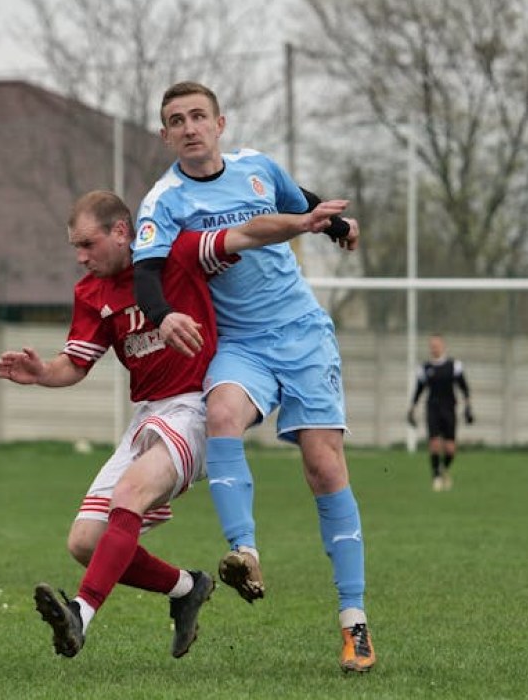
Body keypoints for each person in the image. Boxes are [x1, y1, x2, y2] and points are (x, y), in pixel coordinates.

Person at [0, 190, 347, 660]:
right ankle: (186, 588)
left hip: (197, 407)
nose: (80, 257)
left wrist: (305, 221)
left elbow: (244, 233)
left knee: (130, 494)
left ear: (121, 232)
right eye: (75, 248)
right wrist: (42, 373)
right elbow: (75, 363)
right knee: (85, 542)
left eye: (87, 244)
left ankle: (81, 613)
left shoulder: (175, 254)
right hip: (149, 415)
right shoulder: (91, 292)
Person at [131, 81, 375, 673]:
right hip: (240, 344)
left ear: (220, 124)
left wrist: (337, 226)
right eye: (176, 120)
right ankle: (244, 552)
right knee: (220, 414)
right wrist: (163, 317)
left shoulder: (258, 167)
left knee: (323, 466)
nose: (189, 127)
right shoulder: (164, 201)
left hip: (304, 334)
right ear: (165, 136)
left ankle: (354, 622)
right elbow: (147, 272)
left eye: (198, 116)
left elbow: (300, 202)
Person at [407, 334, 473, 491]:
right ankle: (436, 476)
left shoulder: (454, 366)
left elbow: (464, 388)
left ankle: (443, 469)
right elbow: (419, 390)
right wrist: (412, 408)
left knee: (450, 448)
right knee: (434, 443)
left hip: (449, 409)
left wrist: (468, 407)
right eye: (432, 346)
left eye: (437, 345)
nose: (434, 348)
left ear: (443, 346)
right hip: (433, 409)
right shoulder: (425, 368)